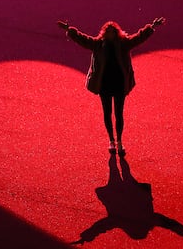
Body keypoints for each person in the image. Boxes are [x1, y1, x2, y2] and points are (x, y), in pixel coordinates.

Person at [57, 17, 165, 155]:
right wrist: (69, 30)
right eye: (107, 30)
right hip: (105, 85)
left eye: (112, 31)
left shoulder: (123, 43)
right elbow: (82, 39)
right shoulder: (98, 44)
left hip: (118, 84)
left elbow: (139, 37)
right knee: (107, 113)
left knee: (119, 114)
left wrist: (152, 27)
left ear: (116, 32)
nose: (109, 33)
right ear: (104, 32)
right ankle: (111, 141)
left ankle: (119, 141)